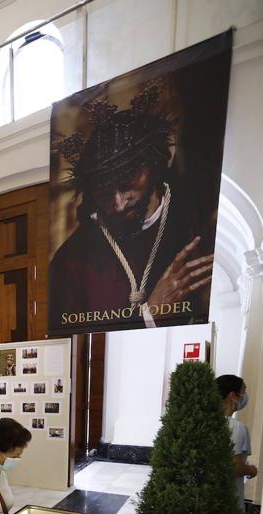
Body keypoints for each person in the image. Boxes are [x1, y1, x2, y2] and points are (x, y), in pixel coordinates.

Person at [49, 82, 214, 329]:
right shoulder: (70, 262)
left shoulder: (201, 224)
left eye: (127, 181)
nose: (117, 203)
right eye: (104, 190)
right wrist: (148, 315)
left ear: (154, 162)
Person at [216, 374, 257, 506]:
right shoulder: (236, 428)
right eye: (243, 392)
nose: (245, 397)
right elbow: (234, 467)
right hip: (228, 503)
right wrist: (251, 470)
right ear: (232, 396)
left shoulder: (202, 423)